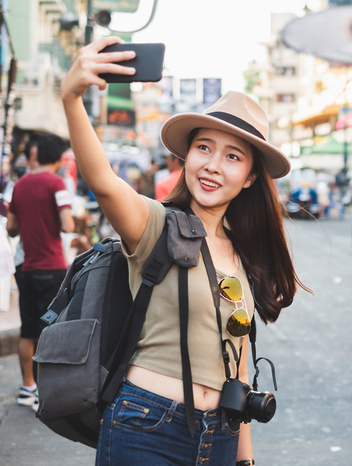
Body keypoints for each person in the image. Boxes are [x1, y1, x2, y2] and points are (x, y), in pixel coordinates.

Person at [61, 37, 308, 464]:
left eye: (233, 156)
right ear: (187, 156)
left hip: (221, 435)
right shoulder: (155, 224)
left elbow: (239, 364)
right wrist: (71, 98)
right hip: (146, 426)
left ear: (250, 177)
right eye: (204, 148)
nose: (213, 165)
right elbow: (103, 181)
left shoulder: (241, 252)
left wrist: (245, 458)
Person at [5, 134, 75, 412]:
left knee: (28, 328)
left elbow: (11, 228)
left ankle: (26, 387)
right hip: (52, 265)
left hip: (25, 267)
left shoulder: (19, 185)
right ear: (58, 159)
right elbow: (67, 225)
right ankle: (45, 391)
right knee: (51, 330)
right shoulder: (57, 183)